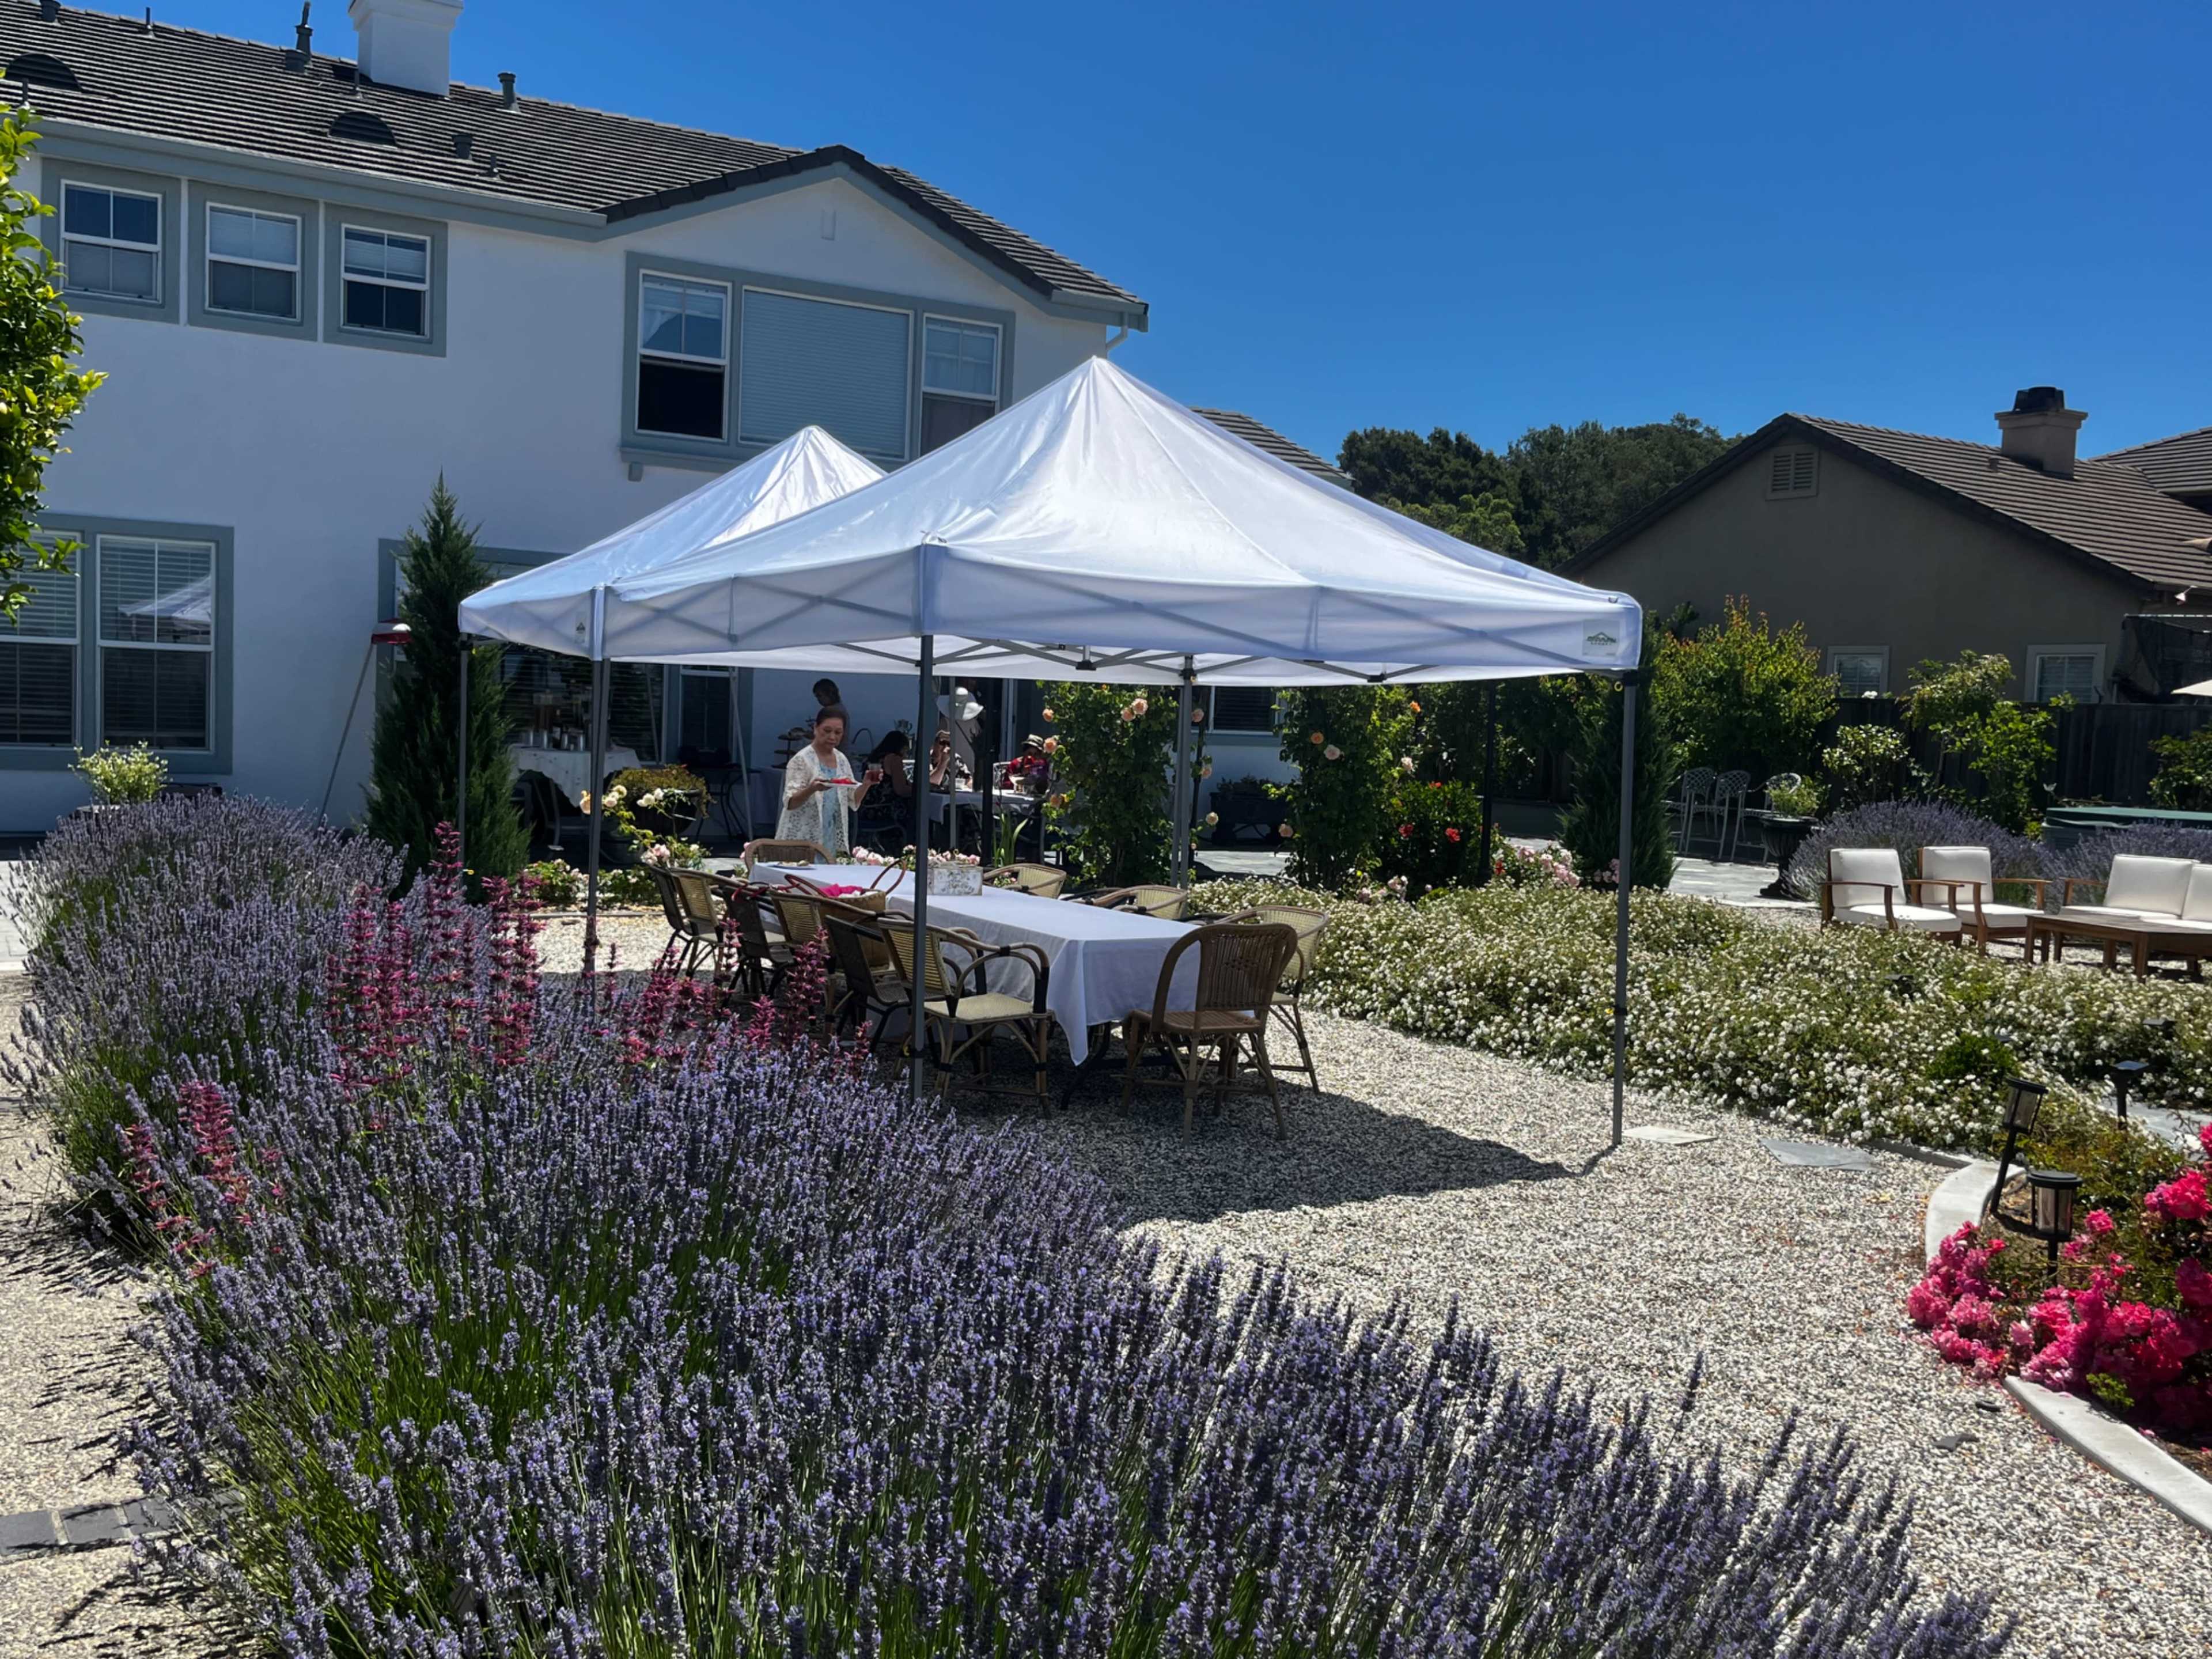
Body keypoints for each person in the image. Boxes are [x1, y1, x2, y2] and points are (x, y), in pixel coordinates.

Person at [777, 704, 878, 856]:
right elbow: (790, 803)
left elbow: (853, 799)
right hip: (803, 837)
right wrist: (812, 789)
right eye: (827, 731)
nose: (832, 737)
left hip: (828, 836)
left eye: (838, 733)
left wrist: (866, 784)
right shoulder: (802, 760)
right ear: (816, 728)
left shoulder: (841, 759)